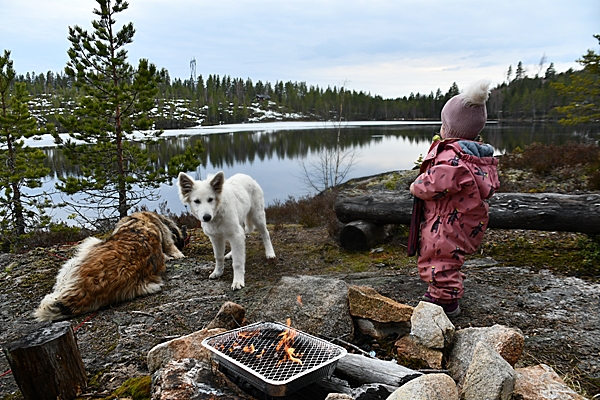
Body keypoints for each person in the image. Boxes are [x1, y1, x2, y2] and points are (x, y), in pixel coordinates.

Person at [409, 79, 500, 317]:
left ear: (449, 129)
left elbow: (433, 184)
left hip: (446, 222)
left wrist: (416, 185)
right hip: (461, 220)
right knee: (450, 257)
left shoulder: (452, 158)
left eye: (443, 124)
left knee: (439, 256)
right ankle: (443, 293)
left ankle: (445, 303)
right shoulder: (474, 156)